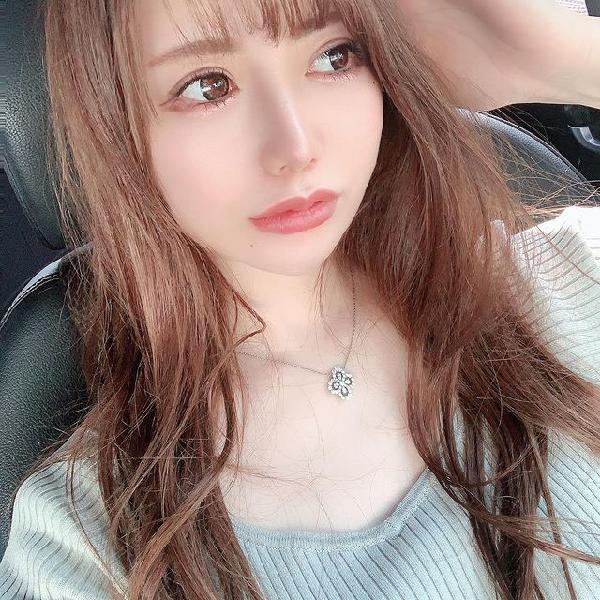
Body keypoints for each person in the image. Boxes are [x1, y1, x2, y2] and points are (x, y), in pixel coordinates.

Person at [0, 0, 599, 599]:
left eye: (335, 56)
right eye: (207, 87)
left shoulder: (567, 279)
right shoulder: (82, 540)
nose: (295, 147)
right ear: (112, 125)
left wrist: (564, 60)